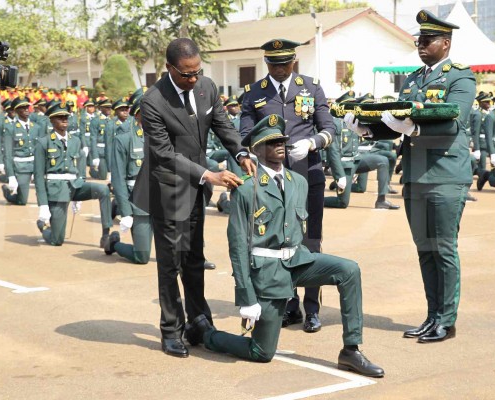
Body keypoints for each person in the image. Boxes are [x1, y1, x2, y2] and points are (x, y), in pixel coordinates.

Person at [188, 114, 384, 378]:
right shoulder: (246, 189)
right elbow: (237, 245)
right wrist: (246, 296)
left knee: (349, 270)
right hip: (267, 272)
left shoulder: (298, 182)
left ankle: (351, 349)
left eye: (281, 140)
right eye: (271, 142)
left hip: (298, 261)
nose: (279, 145)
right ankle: (207, 333)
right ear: (256, 149)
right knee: (262, 352)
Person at [345, 10, 475, 343]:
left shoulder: (460, 76)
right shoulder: (414, 79)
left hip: (446, 174)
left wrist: (415, 127)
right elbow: (396, 121)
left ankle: (447, 319)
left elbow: (453, 121)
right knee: (424, 248)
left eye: (428, 40)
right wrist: (366, 129)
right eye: (419, 39)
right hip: (416, 175)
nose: (421, 44)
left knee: (443, 248)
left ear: (445, 43)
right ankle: (432, 316)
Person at [130, 38, 256, 358]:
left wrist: (240, 152)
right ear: (170, 69)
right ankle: (171, 330)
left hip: (197, 190)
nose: (194, 79)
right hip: (168, 189)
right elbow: (163, 153)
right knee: (171, 264)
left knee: (194, 259)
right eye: (186, 74)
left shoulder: (207, 87)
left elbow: (222, 124)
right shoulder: (153, 101)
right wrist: (208, 174)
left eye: (198, 71)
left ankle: (198, 322)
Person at [240, 39, 335, 333]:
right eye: (274, 64)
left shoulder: (312, 87)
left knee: (311, 241)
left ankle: (312, 308)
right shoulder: (253, 93)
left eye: (285, 63)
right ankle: (288, 304)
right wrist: (255, 153)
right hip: (272, 177)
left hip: (308, 172)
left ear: (294, 61)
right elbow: (245, 134)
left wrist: (312, 143)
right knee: (279, 241)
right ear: (266, 63)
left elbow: (328, 127)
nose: (280, 69)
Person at [34, 102, 113, 246]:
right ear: (51, 120)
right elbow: (39, 177)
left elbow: (79, 167)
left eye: (66, 116)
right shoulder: (43, 143)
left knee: (103, 190)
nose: (64, 119)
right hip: (56, 191)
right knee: (57, 240)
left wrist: (80, 188)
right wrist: (43, 205)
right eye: (60, 117)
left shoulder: (75, 141)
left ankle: (106, 235)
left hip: (74, 186)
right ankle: (43, 227)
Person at [105, 97, 153, 263]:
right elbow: (118, 178)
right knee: (142, 256)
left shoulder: (165, 136)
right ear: (138, 115)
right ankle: (114, 244)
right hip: (139, 201)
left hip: (163, 199)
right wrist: (126, 212)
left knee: (175, 252)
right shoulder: (124, 139)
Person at [2, 97, 41, 204]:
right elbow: (8, 154)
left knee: (44, 194)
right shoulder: (11, 128)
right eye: (22, 108)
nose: (26, 110)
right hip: (21, 166)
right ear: (16, 111)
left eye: (27, 107)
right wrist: (11, 175)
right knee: (22, 201)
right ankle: (8, 194)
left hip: (36, 164)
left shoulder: (36, 127)